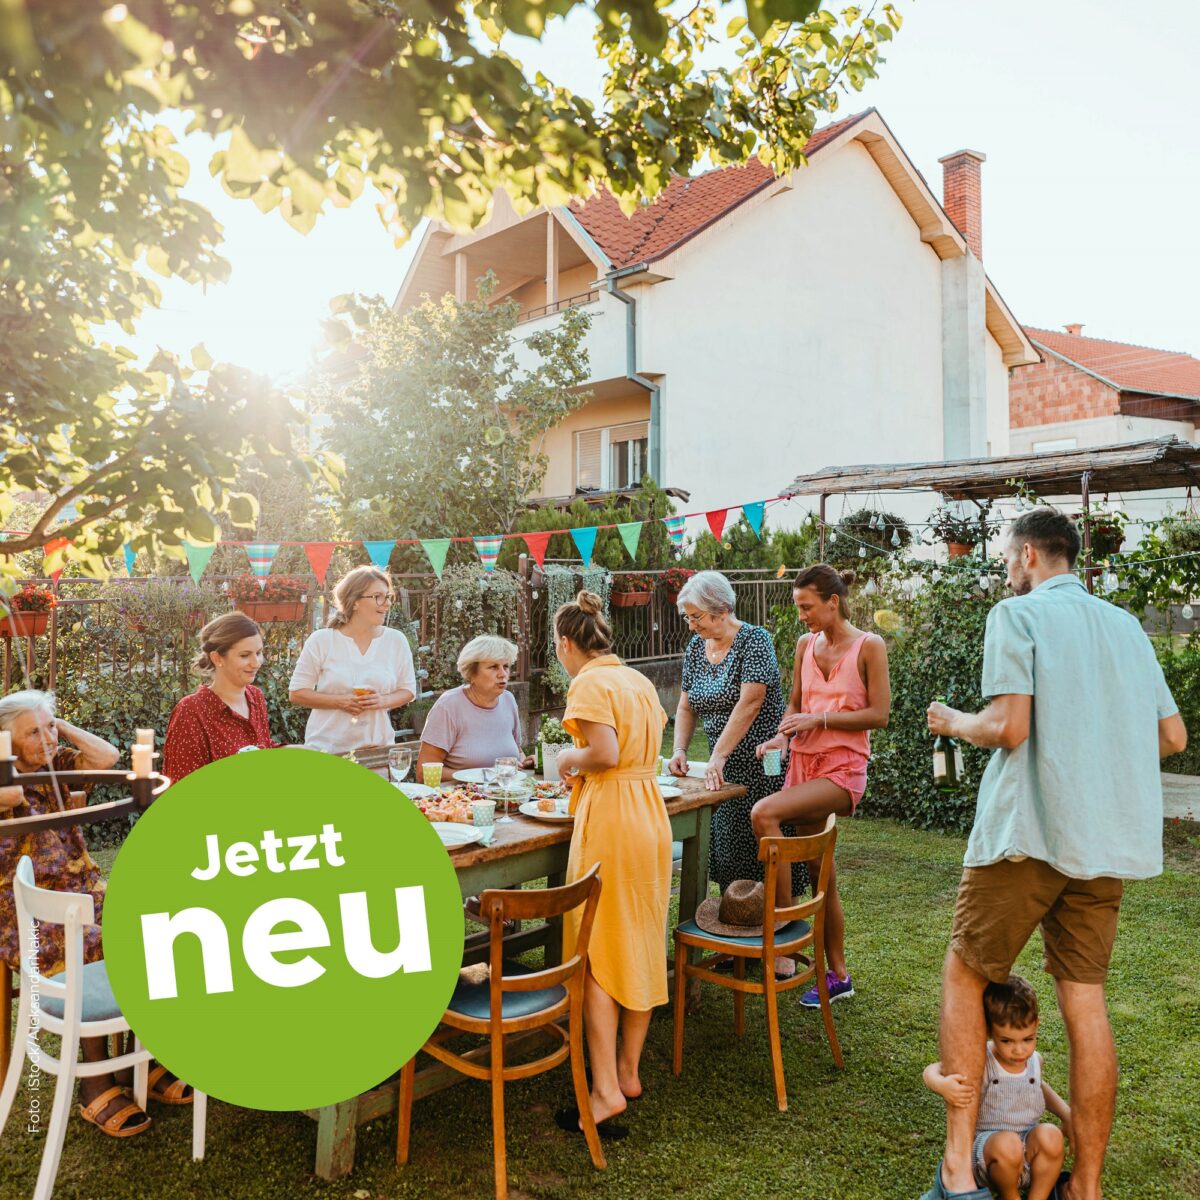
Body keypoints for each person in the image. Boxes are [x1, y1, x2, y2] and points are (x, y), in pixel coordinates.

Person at [923, 507, 1187, 1200]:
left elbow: (1009, 728)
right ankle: (1088, 1187)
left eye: (1010, 558)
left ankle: (958, 1164)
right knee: (1086, 1003)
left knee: (965, 975)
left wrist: (953, 721)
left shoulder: (1019, 615)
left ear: (1032, 556)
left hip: (1028, 833)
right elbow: (1173, 736)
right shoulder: (1126, 628)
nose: (1008, 570)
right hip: (1104, 842)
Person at [0, 691, 190, 1136]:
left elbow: (106, 755)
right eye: (32, 733)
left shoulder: (58, 760)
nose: (46, 738)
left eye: (49, 728)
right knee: (89, 942)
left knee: (152, 924)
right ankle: (97, 1082)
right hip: (21, 907)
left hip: (81, 887)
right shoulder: (4, 778)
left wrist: (50, 724)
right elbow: (9, 796)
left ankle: (145, 1061)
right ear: (6, 741)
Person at [551, 591, 671, 1141]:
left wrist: (567, 757)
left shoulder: (589, 682)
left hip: (613, 819)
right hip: (649, 812)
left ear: (566, 643)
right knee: (641, 938)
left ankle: (603, 1092)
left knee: (597, 948)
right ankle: (628, 1072)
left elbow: (603, 753)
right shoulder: (638, 680)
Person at [751, 564, 890, 995]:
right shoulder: (804, 645)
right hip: (803, 765)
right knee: (820, 873)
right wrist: (779, 736)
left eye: (807, 606)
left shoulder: (869, 646)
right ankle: (839, 976)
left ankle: (787, 940)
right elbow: (794, 706)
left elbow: (880, 715)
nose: (801, 615)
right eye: (798, 607)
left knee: (765, 813)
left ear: (833, 602)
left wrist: (822, 718)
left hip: (842, 772)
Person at [667, 571, 805, 907]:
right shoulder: (695, 648)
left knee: (769, 845)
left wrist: (719, 756)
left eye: (696, 617)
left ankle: (782, 927)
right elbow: (686, 706)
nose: (691, 625)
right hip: (724, 767)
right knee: (728, 847)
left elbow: (750, 702)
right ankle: (742, 923)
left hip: (765, 760)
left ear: (721, 609)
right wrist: (680, 749)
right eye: (688, 617)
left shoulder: (754, 640)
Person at [924, 975, 1071, 1200]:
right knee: (1008, 1144)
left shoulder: (1034, 1061)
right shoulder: (981, 1058)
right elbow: (933, 1070)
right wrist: (942, 1084)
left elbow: (1039, 1086)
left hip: (1026, 1150)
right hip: (988, 1154)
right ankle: (1009, 1196)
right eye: (1007, 1041)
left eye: (1028, 1039)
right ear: (991, 1031)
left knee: (1051, 1135)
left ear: (1037, 1025)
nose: (1019, 1050)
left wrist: (1066, 1115)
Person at [288, 565, 416, 754]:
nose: (387, 603)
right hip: (327, 751)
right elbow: (297, 693)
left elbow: (408, 691)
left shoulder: (396, 640)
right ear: (354, 601)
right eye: (378, 597)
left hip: (377, 751)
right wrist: (340, 701)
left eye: (388, 596)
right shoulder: (322, 640)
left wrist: (382, 700)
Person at [163, 611, 276, 781]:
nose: (256, 663)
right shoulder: (191, 712)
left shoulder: (255, 697)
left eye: (259, 653)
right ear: (217, 658)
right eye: (244, 655)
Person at [417, 635, 533, 775]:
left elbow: (517, 752)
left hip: (505, 792)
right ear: (471, 673)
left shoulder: (508, 700)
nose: (503, 674)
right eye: (493, 667)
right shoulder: (448, 706)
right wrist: (480, 777)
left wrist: (525, 761)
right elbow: (423, 772)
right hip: (461, 795)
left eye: (506, 666)